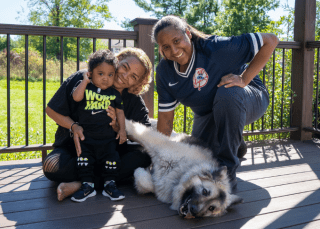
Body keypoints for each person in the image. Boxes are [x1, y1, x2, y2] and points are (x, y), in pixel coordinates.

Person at [153, 15, 279, 192]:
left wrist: (244, 79)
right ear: (161, 50)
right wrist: (159, 159)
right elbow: (165, 120)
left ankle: (226, 175)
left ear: (188, 33)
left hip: (248, 97)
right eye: (166, 47)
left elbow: (271, 40)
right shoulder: (164, 72)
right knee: (197, 157)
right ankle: (236, 143)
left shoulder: (216, 48)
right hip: (208, 113)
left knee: (228, 91)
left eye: (177, 40)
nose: (173, 50)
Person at [43, 47, 153, 201]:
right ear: (118, 60)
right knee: (51, 165)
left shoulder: (132, 99)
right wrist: (74, 126)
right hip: (76, 152)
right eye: (124, 67)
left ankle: (83, 183)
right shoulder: (83, 78)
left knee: (144, 156)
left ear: (137, 83)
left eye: (133, 77)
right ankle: (98, 182)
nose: (124, 76)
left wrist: (119, 127)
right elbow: (51, 109)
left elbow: (146, 135)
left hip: (110, 155)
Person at [70, 50, 127, 202]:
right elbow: (76, 97)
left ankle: (110, 186)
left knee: (112, 161)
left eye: (110, 75)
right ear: (90, 73)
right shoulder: (86, 88)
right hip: (86, 138)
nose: (105, 79)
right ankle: (87, 187)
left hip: (108, 138)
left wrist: (122, 130)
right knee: (84, 162)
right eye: (100, 74)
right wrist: (84, 81)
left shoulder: (115, 94)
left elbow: (120, 113)